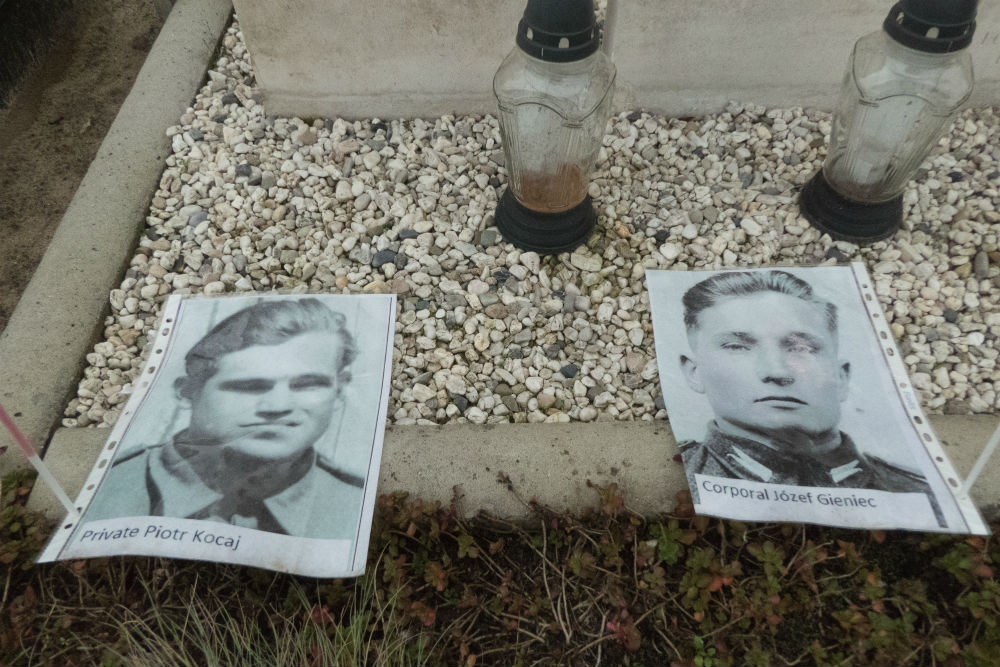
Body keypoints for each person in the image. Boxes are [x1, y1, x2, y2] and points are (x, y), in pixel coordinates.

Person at [85, 298, 365, 539]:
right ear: (187, 392)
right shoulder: (110, 487)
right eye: (248, 386)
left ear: (339, 391)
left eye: (307, 385)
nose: (278, 406)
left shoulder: (356, 502)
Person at [676, 270, 939, 510]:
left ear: (841, 377)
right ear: (694, 372)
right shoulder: (680, 480)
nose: (777, 372)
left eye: (801, 348)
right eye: (737, 346)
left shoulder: (919, 494)